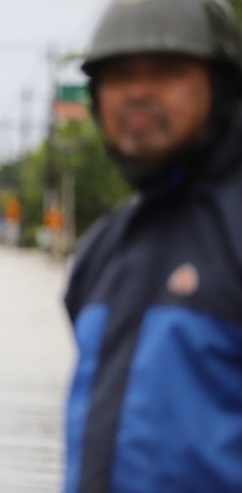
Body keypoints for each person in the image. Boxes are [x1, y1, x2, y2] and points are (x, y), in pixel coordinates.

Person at [63, 1, 242, 492]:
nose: (138, 92)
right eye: (119, 77)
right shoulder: (104, 249)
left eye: (166, 71)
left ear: (221, 86)